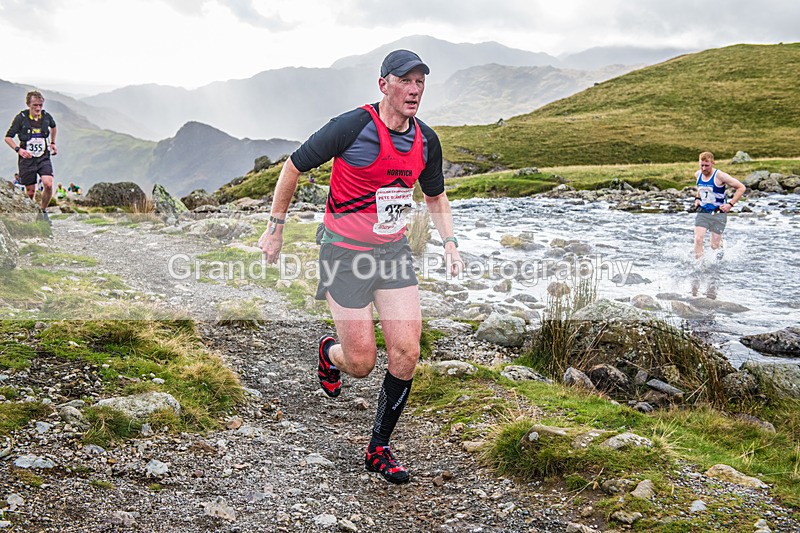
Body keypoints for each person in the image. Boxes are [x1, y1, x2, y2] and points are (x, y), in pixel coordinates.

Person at [259, 49, 462, 484]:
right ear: (383, 84)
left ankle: (379, 447)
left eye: (420, 82)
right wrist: (275, 228)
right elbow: (292, 167)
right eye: (405, 81)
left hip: (391, 254)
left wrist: (449, 242)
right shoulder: (352, 127)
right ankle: (330, 353)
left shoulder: (426, 140)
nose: (414, 90)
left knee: (407, 351)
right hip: (344, 254)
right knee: (362, 362)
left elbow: (435, 196)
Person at [4, 90, 58, 224]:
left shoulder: (46, 117)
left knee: (48, 184)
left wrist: (52, 143)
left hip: (43, 156)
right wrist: (19, 150)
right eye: (35, 105)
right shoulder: (21, 118)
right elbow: (7, 137)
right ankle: (31, 213)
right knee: (30, 192)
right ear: (28, 104)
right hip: (27, 159)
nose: (38, 108)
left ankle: (43, 212)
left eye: (40, 105)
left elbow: (54, 126)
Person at [692, 151, 745, 259]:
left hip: (718, 212)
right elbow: (701, 188)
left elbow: (741, 187)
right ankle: (698, 266)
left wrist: (730, 204)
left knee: (714, 246)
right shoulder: (698, 174)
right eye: (701, 165)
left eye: (706, 166)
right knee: (698, 239)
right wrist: (698, 198)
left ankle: (720, 254)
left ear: (712, 163)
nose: (704, 168)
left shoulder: (720, 176)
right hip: (703, 211)